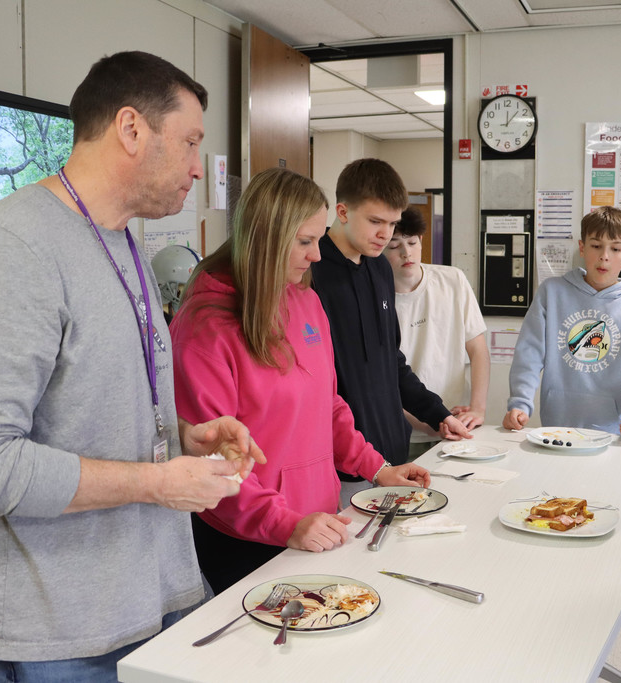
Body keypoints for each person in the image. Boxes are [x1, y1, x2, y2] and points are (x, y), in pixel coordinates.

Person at [0, 51, 264, 683]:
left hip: (150, 602)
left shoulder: (123, 240)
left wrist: (182, 437)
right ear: (131, 129)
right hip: (58, 637)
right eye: (190, 142)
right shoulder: (8, 248)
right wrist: (155, 483)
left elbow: (83, 408)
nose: (198, 166)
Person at [171, 167, 431, 593]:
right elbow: (213, 459)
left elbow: (328, 406)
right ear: (267, 238)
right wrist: (284, 524)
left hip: (319, 522)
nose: (317, 256)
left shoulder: (306, 301)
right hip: (249, 538)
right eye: (305, 242)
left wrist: (378, 469)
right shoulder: (205, 327)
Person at [310, 158, 472, 501]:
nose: (386, 234)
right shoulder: (312, 270)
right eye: (375, 222)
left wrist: (438, 414)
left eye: (393, 223)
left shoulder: (381, 269)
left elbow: (391, 362)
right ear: (342, 212)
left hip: (394, 457)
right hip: (341, 464)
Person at [502, 206, 621, 441]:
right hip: (555, 428)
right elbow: (529, 354)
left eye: (616, 249)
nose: (604, 256)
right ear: (582, 247)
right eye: (596, 246)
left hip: (612, 434)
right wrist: (520, 402)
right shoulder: (551, 292)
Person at [385, 208, 490, 460]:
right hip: (403, 432)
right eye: (394, 246)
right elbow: (383, 379)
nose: (406, 253)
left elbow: (478, 350)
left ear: (421, 240)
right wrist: (427, 423)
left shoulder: (452, 280)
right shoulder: (377, 297)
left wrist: (477, 409)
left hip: (458, 425)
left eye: (412, 243)